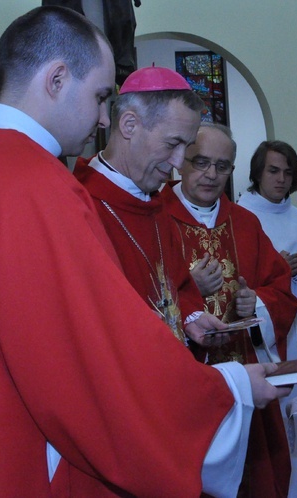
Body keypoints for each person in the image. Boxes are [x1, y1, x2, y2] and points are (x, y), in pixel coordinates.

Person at [0, 7, 288, 497]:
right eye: (100, 96)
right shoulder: (33, 182)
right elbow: (87, 359)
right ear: (57, 78)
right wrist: (228, 389)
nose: (104, 117)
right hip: (20, 458)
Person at [162, 122, 297, 497]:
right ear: (180, 161)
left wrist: (257, 301)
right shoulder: (155, 219)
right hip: (184, 387)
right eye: (201, 162)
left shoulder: (245, 223)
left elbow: (283, 290)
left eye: (223, 166)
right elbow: (133, 294)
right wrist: (187, 291)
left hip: (244, 381)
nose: (211, 175)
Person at [74, 66, 228, 354]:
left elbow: (174, 287)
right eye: (172, 144)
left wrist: (190, 317)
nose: (178, 162)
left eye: (186, 146)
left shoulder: (154, 204)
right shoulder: (80, 206)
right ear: (129, 125)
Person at [237, 140, 297, 497]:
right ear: (257, 172)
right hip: (256, 334)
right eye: (273, 171)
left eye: (288, 172)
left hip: (293, 331)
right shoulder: (239, 215)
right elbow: (237, 276)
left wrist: (291, 275)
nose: (281, 179)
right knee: (266, 417)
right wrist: (275, 270)